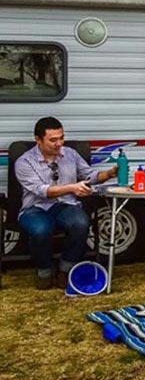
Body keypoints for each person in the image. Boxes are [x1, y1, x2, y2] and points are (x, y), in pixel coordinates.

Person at [14, 116, 118, 290]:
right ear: (38, 140)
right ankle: (44, 271)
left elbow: (89, 175)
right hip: (35, 207)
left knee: (81, 223)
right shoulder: (24, 162)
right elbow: (42, 190)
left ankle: (66, 269)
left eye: (61, 138)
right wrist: (72, 187)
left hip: (65, 204)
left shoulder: (70, 154)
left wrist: (108, 173)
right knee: (41, 229)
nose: (59, 143)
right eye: (53, 140)